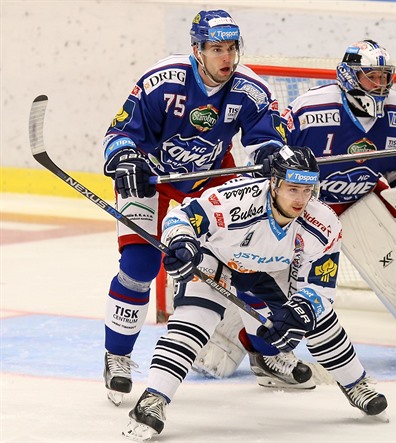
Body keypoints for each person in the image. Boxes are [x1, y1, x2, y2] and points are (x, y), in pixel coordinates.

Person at [196, 40, 396, 375]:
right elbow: (273, 159)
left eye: (383, 76)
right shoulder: (310, 110)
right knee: (257, 267)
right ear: (348, 76)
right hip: (301, 207)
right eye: (369, 76)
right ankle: (218, 342)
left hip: (359, 201)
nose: (378, 84)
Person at [122, 145, 388, 441]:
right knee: (194, 321)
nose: (301, 199)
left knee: (318, 318)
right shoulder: (235, 200)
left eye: (307, 189)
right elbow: (181, 216)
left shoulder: (324, 224)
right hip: (216, 259)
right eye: (293, 188)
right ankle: (153, 398)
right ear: (274, 183)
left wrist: (299, 311)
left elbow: (320, 289)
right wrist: (183, 242)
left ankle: (356, 384)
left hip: (269, 271)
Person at [100, 9, 292, 406]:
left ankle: (265, 353)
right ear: (196, 50)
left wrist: (275, 156)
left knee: (247, 260)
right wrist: (125, 160)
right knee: (139, 268)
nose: (227, 58)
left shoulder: (249, 89)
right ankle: (117, 357)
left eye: (231, 49)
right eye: (216, 49)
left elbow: (267, 142)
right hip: (151, 180)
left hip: (208, 182)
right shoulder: (162, 80)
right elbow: (119, 134)